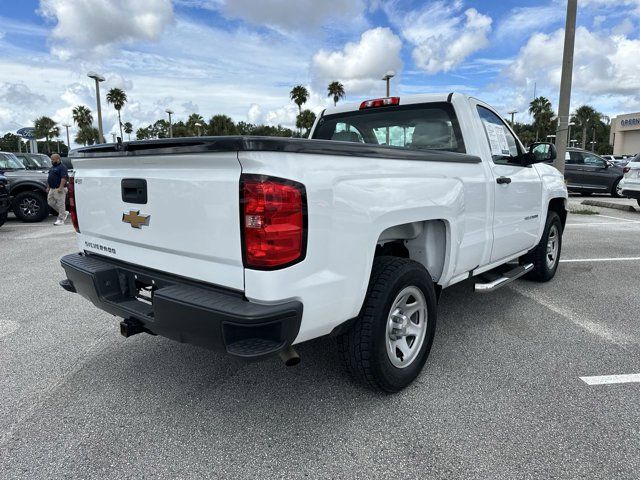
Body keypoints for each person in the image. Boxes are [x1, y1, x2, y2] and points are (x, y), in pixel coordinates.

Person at [47, 153, 69, 226]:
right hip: (52, 188)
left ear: (58, 159)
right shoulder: (52, 167)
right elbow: (49, 177)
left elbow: (64, 178)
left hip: (59, 188)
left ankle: (61, 219)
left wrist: (60, 187)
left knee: (60, 204)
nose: (52, 161)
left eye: (53, 159)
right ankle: (64, 213)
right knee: (50, 202)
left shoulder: (62, 167)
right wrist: (48, 187)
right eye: (51, 159)